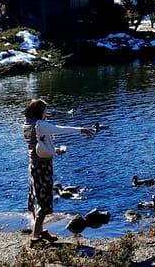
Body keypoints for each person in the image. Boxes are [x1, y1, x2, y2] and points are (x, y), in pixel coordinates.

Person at [22, 98, 94, 245]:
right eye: (45, 110)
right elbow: (59, 129)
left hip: (34, 167)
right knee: (43, 202)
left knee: (36, 200)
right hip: (43, 168)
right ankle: (36, 239)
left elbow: (37, 148)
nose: (46, 113)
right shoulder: (40, 125)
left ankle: (40, 231)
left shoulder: (27, 125)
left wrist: (55, 150)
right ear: (40, 112)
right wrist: (80, 129)